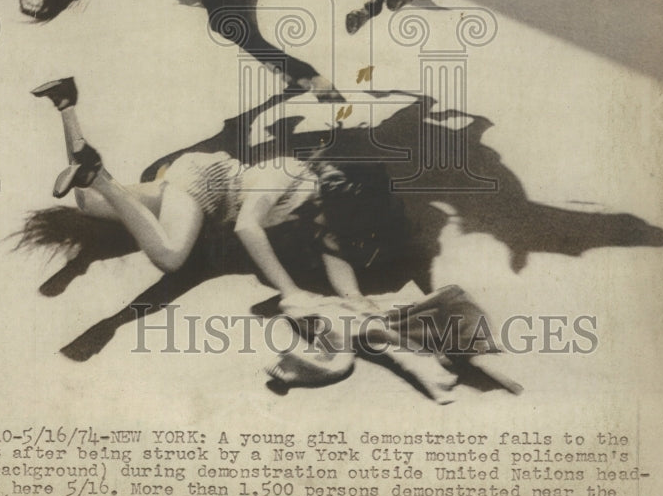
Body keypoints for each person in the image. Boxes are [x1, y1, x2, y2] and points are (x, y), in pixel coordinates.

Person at [31, 76, 458, 398]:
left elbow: (336, 255)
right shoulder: (287, 172)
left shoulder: (328, 206)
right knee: (171, 257)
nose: (334, 224)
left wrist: (356, 301)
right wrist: (291, 291)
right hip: (206, 183)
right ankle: (100, 179)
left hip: (201, 195)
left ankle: (67, 105)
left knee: (85, 203)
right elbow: (246, 227)